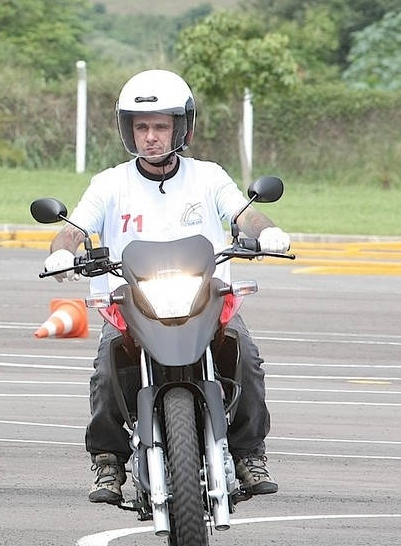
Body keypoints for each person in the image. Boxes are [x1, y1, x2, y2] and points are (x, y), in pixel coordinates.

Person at [43, 69, 291, 504]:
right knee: (105, 367)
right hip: (132, 304)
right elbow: (73, 229)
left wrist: (267, 231)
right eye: (142, 127)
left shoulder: (209, 177)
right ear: (128, 130)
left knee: (246, 356)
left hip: (205, 301)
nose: (151, 137)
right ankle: (107, 459)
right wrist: (62, 250)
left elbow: (244, 214)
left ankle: (250, 452)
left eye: (160, 125)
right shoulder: (109, 183)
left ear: (183, 127)